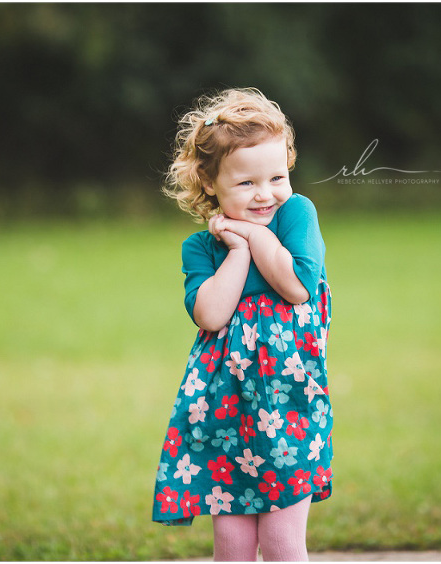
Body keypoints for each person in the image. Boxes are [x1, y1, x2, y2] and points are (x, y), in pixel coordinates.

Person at [152, 88, 333, 562]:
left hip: (288, 405)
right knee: (231, 544)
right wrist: (235, 252)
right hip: (225, 411)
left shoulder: (296, 215)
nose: (265, 193)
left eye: (277, 176)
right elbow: (211, 314)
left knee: (280, 542)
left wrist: (251, 234)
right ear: (211, 184)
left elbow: (296, 285)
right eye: (247, 183)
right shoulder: (202, 248)